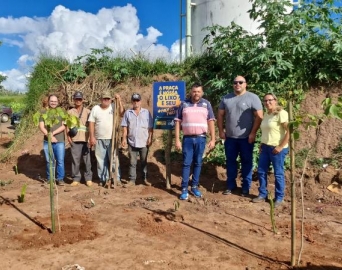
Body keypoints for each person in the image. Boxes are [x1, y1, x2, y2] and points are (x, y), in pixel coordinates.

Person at [217, 76, 263, 196]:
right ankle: (230, 186)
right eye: (235, 82)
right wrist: (221, 131)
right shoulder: (226, 98)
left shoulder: (253, 98)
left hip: (246, 138)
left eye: (240, 82)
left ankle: (245, 187)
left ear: (245, 84)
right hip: (230, 138)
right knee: (230, 161)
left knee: (247, 162)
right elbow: (220, 115)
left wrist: (253, 133)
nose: (238, 84)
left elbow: (259, 116)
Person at [175, 83, 216, 200]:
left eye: (198, 91)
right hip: (187, 139)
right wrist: (177, 139)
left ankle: (194, 187)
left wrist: (213, 139)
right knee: (186, 163)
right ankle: (184, 189)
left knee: (198, 163)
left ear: (202, 93)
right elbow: (177, 122)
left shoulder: (206, 104)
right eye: (194, 91)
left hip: (201, 138)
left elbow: (211, 121)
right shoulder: (184, 104)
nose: (196, 93)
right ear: (190, 92)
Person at [252, 93, 289, 207]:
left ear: (275, 100)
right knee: (261, 171)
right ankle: (263, 194)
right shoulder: (267, 115)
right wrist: (262, 144)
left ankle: (279, 198)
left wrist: (281, 146)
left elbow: (289, 131)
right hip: (265, 147)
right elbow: (266, 131)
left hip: (276, 148)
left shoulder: (281, 114)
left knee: (278, 173)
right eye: (265, 101)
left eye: (270, 100)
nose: (267, 103)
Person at [88, 91, 124, 187]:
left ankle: (116, 178)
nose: (106, 100)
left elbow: (121, 113)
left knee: (114, 160)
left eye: (108, 99)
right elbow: (91, 123)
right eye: (104, 99)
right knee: (101, 161)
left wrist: (119, 100)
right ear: (101, 99)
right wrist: (92, 137)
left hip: (112, 139)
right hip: (99, 139)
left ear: (110, 100)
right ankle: (103, 179)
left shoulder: (113, 107)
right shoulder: (95, 108)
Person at [121, 93, 153, 186]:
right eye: (134, 100)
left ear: (140, 101)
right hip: (132, 142)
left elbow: (150, 127)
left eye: (137, 100)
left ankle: (144, 179)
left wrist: (150, 138)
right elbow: (125, 127)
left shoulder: (146, 112)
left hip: (144, 141)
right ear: (132, 101)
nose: (136, 102)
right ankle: (132, 180)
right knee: (132, 162)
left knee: (144, 162)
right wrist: (124, 139)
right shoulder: (128, 113)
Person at [66, 91, 93, 187]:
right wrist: (68, 137)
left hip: (86, 139)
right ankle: (76, 178)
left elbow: (91, 126)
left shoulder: (88, 112)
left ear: (83, 100)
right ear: (73, 100)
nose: (78, 101)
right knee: (75, 160)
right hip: (75, 140)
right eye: (76, 99)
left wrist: (91, 138)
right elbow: (67, 126)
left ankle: (88, 178)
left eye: (80, 99)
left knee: (87, 160)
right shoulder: (70, 112)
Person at [39, 94, 66, 186]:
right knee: (49, 161)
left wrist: (52, 134)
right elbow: (41, 127)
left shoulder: (62, 112)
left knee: (60, 160)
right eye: (52, 101)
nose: (53, 103)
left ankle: (60, 179)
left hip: (60, 141)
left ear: (58, 102)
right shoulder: (44, 112)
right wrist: (49, 136)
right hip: (47, 141)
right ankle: (50, 178)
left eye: (55, 101)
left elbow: (64, 126)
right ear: (49, 102)